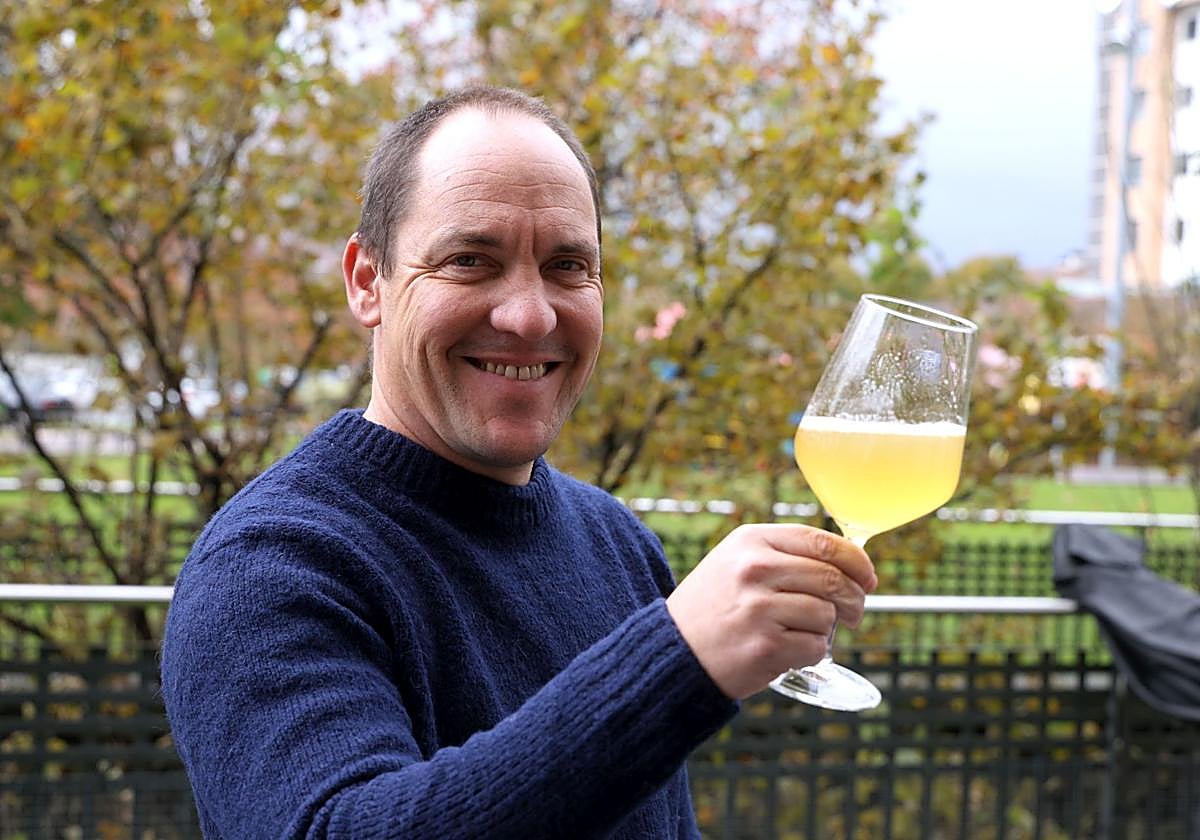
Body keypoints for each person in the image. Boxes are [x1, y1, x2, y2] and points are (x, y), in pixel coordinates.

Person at [160, 85, 877, 839]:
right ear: (368, 282)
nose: (530, 315)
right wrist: (675, 661)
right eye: (471, 260)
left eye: (568, 266)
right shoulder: (269, 567)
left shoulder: (616, 543)